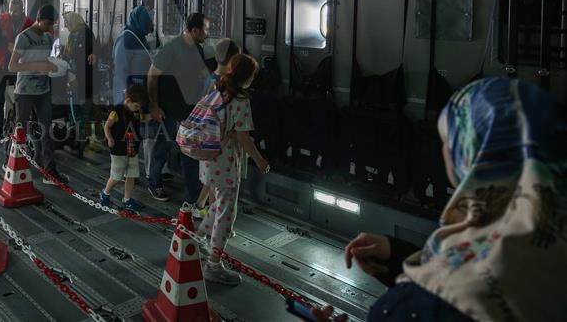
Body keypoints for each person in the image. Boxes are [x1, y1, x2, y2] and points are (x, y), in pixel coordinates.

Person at [311, 77, 567, 322]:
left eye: (447, 139)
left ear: (470, 153)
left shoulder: (417, 308)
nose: (443, 149)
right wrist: (397, 254)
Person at [195, 53, 269, 285]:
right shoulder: (240, 100)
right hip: (225, 163)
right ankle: (213, 265)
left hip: (207, 158)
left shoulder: (217, 90)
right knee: (227, 214)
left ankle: (195, 240)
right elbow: (243, 137)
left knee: (218, 205)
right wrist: (259, 160)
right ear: (247, 77)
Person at [146, 13, 211, 203]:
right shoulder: (171, 48)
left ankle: (193, 195)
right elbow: (152, 76)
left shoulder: (198, 49)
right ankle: (154, 182)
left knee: (190, 153)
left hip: (190, 112)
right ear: (195, 30)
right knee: (163, 147)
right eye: (206, 29)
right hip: (169, 110)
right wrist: (154, 105)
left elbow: (202, 74)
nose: (208, 33)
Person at [8, 4, 69, 184]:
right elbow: (12, 66)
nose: (50, 28)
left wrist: (53, 65)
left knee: (47, 131)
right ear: (39, 20)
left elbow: (46, 60)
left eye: (53, 24)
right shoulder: (24, 38)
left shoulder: (48, 38)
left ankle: (50, 171)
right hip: (25, 91)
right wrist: (37, 66)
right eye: (48, 24)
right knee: (20, 129)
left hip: (43, 90)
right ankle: (9, 162)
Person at [194, 38, 243, 218]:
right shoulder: (222, 83)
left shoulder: (210, 78)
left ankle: (202, 207)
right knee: (216, 181)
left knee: (211, 178)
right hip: (218, 140)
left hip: (208, 137)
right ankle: (213, 217)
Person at [112, 5, 155, 178]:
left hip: (140, 95)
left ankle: (138, 170)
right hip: (128, 97)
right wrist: (127, 97)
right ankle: (123, 172)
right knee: (126, 133)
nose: (151, 24)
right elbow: (120, 70)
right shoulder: (125, 38)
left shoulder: (141, 38)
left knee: (139, 132)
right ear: (141, 21)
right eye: (149, 21)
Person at [0, 0, 33, 139]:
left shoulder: (29, 23)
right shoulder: (1, 20)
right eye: (11, 10)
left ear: (22, 10)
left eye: (16, 11)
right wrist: (7, 44)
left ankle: (17, 126)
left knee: (20, 95)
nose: (12, 13)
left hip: (19, 64)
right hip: (1, 62)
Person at [100, 84, 146, 212]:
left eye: (139, 107)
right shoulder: (116, 111)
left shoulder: (136, 111)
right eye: (136, 106)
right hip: (118, 149)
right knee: (116, 176)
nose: (138, 109)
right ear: (128, 100)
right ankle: (105, 193)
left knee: (131, 175)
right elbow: (107, 126)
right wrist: (109, 138)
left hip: (132, 147)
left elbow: (141, 119)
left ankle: (127, 199)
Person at [61, 11, 98, 136]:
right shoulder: (72, 35)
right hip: (73, 76)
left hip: (84, 76)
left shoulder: (86, 33)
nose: (66, 26)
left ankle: (84, 133)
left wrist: (94, 55)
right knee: (75, 103)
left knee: (83, 105)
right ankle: (77, 131)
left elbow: (94, 50)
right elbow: (67, 55)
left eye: (67, 23)